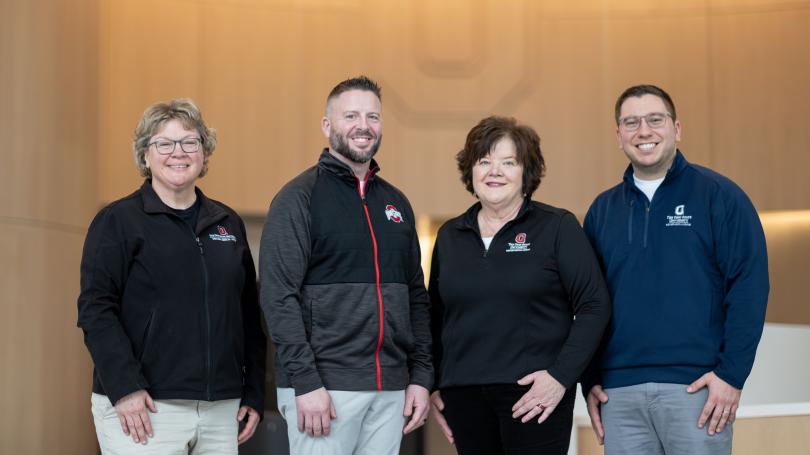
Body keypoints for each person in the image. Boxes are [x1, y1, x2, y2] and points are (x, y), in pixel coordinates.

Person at [582, 84, 770, 455]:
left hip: (698, 389)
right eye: (631, 123)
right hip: (619, 395)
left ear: (677, 128)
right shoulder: (602, 211)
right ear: (619, 136)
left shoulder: (720, 196)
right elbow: (587, 302)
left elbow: (749, 287)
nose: (644, 131)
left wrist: (731, 375)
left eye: (655, 119)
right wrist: (588, 379)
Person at [77, 99, 266, 454]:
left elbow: (248, 318)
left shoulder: (228, 224)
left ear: (203, 152)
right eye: (163, 143)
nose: (177, 152)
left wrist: (254, 390)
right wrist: (125, 387)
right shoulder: (118, 222)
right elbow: (95, 310)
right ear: (145, 155)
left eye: (189, 142)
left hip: (220, 408)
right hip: (145, 406)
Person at [259, 75, 432, 455]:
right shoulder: (298, 199)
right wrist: (306, 382)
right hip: (323, 388)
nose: (363, 126)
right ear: (327, 125)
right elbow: (278, 298)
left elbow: (416, 298)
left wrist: (420, 377)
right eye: (350, 115)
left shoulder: (396, 204)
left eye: (372, 116)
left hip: (390, 387)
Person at [428, 116, 611, 455]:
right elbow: (435, 317)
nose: (494, 171)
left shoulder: (557, 227)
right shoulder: (450, 236)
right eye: (484, 161)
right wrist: (434, 384)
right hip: (464, 396)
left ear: (526, 173)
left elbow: (594, 305)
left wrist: (560, 377)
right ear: (470, 171)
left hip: (534, 394)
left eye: (508, 162)